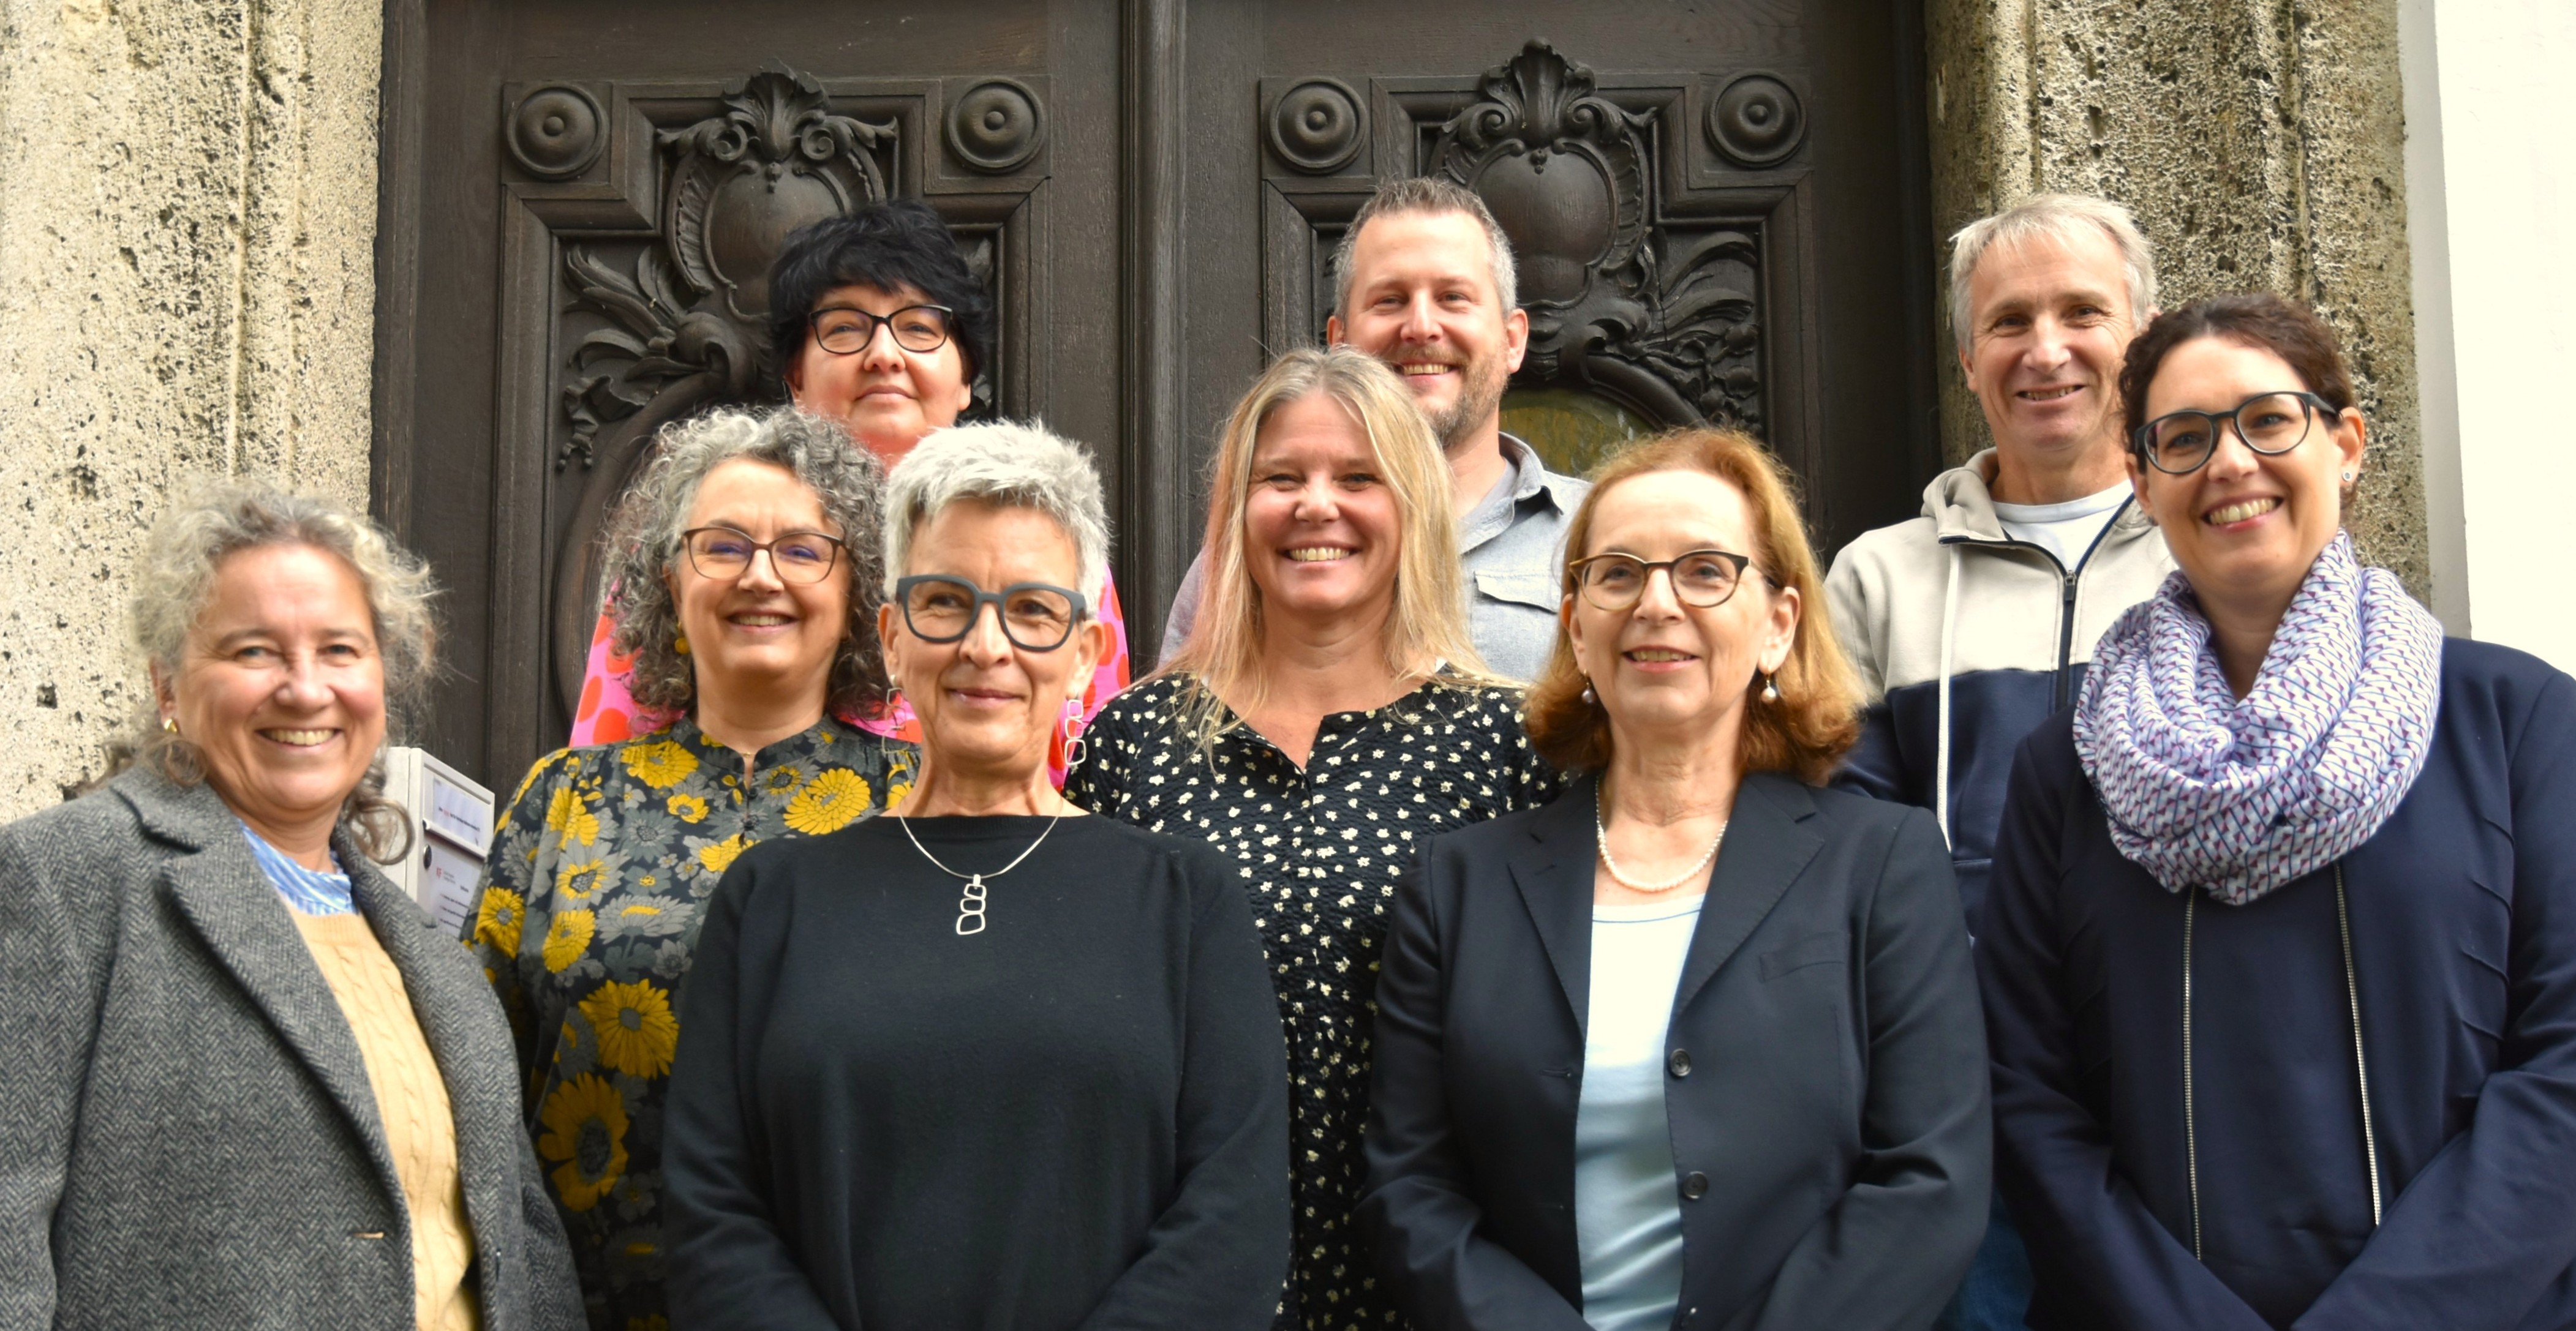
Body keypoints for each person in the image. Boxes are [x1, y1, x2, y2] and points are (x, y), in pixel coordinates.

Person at [1980, 293, 2576, 1329]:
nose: (2229, 462)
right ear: (2141, 481)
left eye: (2267, 419)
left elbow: (2563, 1064)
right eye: (2183, 438)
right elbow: (2029, 1093)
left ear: (2344, 444)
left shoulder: (2515, 719)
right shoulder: (2067, 764)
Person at [663, 421, 1290, 1329]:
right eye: (945, 601)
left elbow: (1235, 1213)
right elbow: (712, 1212)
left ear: (1083, 652)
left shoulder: (1184, 899)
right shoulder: (771, 900)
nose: (985, 645)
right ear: (891, 636)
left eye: (1031, 610)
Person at [1361, 428, 1990, 1331]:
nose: (1656, 603)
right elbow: (1411, 1190)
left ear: (1778, 623)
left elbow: (1930, 1178)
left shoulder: (1882, 863)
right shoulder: (1458, 885)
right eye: (1617, 574)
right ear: (1575, 626)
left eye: (1704, 571)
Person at [0, 479, 583, 1330]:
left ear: (382, 680)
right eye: (254, 651)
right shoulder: (65, 880)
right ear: (168, 687)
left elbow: (526, 1259)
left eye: (340, 649)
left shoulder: (437, 963)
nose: (306, 689)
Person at [1068, 344, 1560, 1329]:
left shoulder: (1507, 743)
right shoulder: (1135, 741)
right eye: (1281, 478)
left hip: (1433, 1277)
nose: (1316, 506)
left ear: (1413, 506)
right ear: (1235, 511)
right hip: (1178, 1270)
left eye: (1358, 478)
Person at [470, 407, 911, 1329]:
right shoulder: (565, 799)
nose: (760, 574)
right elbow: (475, 1078)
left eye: (803, 550)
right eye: (723, 545)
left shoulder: (920, 797)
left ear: (859, 587)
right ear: (669, 581)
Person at [1823, 192, 2174, 1330]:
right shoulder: (1876, 577)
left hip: (2175, 1080)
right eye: (2009, 321)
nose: (2046, 349)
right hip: (1957, 1096)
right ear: (1969, 357)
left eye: (2082, 312)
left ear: (2142, 334)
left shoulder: (2212, 550)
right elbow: (1839, 847)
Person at [568, 198, 1130, 782]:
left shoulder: (1050, 544)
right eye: (844, 329)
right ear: (795, 377)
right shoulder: (704, 536)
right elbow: (605, 776)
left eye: (919, 328)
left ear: (966, 377)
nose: (884, 356)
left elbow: (1095, 769)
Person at [1160, 176, 1588, 682]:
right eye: (1390, 300)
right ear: (1338, 342)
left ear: (1514, 341)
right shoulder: (1258, 551)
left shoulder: (1594, 533)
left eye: (1453, 297)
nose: (1421, 327)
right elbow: (1187, 719)